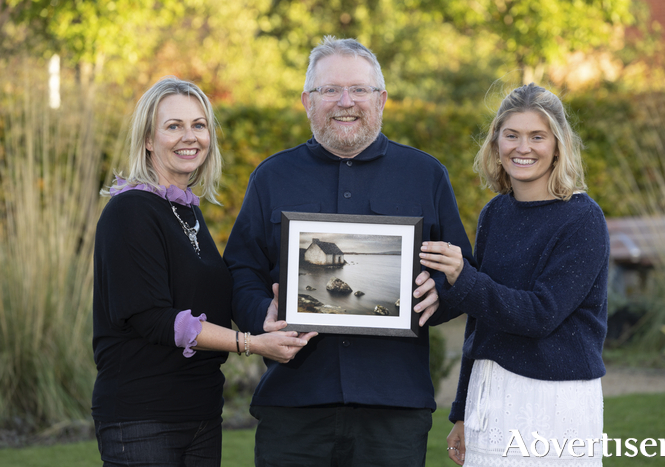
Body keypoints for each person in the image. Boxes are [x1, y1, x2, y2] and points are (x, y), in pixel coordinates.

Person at [222, 36, 476, 466]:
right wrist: (260, 313)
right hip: (294, 403)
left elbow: (460, 270)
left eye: (359, 89)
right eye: (330, 90)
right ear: (307, 100)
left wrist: (442, 290)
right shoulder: (271, 177)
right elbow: (240, 269)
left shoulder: (426, 175)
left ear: (381, 99)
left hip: (393, 407)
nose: (345, 101)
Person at [92, 77, 315, 467]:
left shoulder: (186, 211)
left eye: (199, 125)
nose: (189, 137)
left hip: (200, 411)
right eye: (173, 126)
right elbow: (154, 319)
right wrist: (251, 343)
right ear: (148, 139)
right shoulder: (129, 212)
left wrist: (266, 314)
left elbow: (203, 299)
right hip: (143, 415)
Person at [420, 83, 609, 466]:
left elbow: (541, 313)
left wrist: (463, 276)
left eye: (537, 136)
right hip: (488, 395)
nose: (523, 148)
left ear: (558, 145)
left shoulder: (582, 219)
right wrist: (460, 410)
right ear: (496, 143)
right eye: (512, 135)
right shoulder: (495, 214)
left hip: (554, 401)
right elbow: (481, 320)